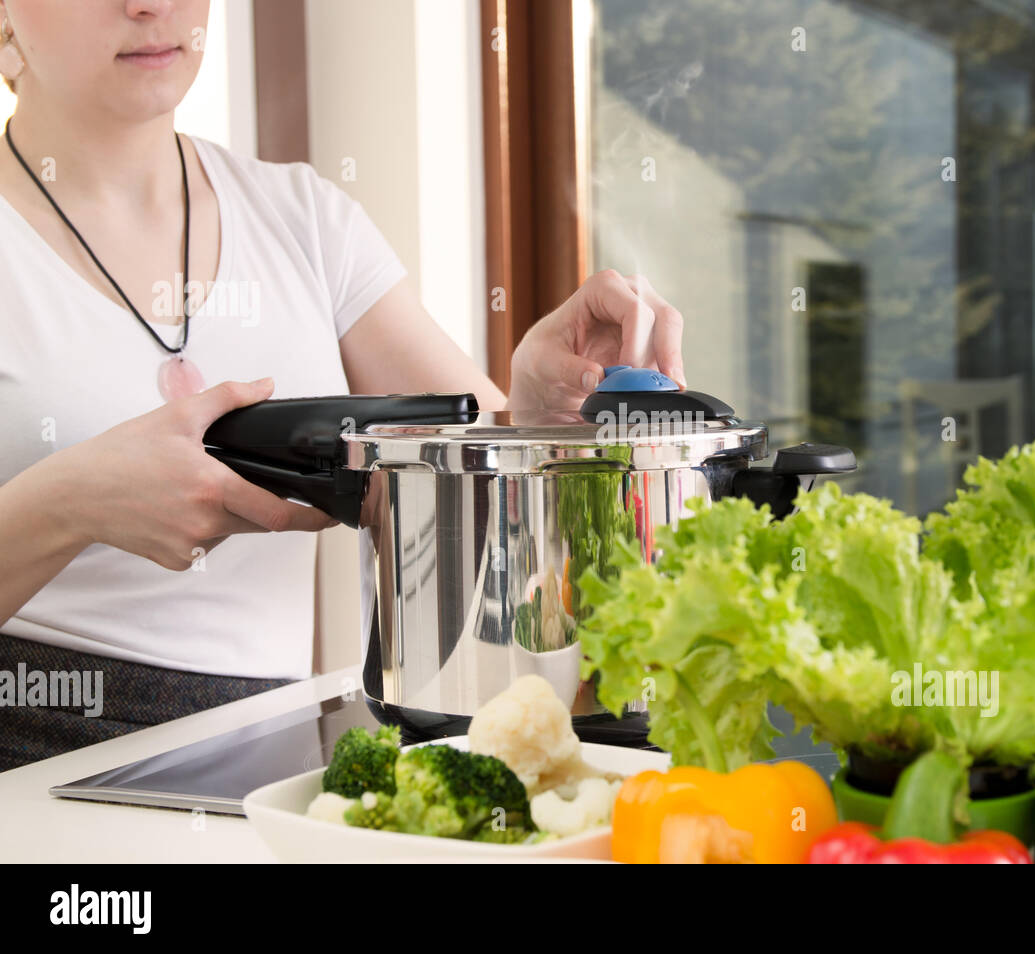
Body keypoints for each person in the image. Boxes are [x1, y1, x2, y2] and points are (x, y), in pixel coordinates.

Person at [0, 0, 686, 770]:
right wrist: (68, 503)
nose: (149, 5)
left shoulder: (305, 218)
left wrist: (530, 402)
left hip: (267, 753)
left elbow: (475, 470)